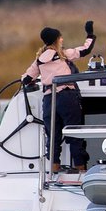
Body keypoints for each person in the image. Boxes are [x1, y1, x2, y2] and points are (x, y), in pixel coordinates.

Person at [22, 21, 96, 173]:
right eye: (60, 38)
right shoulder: (63, 55)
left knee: (53, 137)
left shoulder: (39, 60)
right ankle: (81, 171)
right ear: (56, 40)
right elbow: (85, 50)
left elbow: (26, 79)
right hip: (67, 98)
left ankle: (53, 171)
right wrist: (90, 34)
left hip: (49, 100)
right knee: (74, 134)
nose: (62, 39)